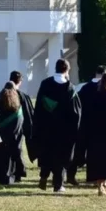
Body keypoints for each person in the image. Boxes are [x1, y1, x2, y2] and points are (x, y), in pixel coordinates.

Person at [32, 59, 82, 193]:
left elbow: (38, 108)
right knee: (60, 157)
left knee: (47, 152)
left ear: (55, 68)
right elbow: (76, 113)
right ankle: (58, 185)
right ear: (67, 70)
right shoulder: (70, 88)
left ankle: (43, 177)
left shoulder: (45, 84)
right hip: (63, 131)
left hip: (46, 128)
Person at [70, 65, 106, 186]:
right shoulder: (105, 89)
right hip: (99, 126)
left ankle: (71, 175)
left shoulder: (85, 88)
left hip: (84, 124)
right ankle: (100, 177)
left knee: (78, 151)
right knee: (97, 153)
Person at [0, 83, 26, 186]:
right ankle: (13, 176)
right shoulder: (17, 106)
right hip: (13, 137)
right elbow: (20, 122)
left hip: (0, 137)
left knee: (0, 158)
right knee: (12, 157)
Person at [9, 71, 35, 180]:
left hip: (7, 127)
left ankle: (11, 171)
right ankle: (18, 173)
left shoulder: (3, 94)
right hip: (19, 127)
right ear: (20, 81)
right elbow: (29, 114)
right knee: (18, 150)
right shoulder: (23, 96)